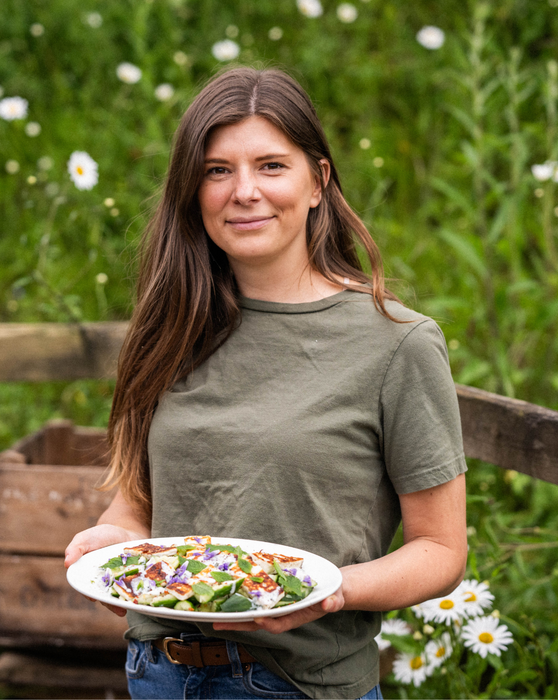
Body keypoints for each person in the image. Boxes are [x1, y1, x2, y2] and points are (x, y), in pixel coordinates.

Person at [65, 66, 467, 700]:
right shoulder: (171, 326)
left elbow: (442, 551)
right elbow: (140, 503)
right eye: (217, 170)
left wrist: (331, 591)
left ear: (318, 182)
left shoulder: (397, 343)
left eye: (272, 166)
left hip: (295, 684)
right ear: (192, 191)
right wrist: (117, 544)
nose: (243, 191)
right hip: (158, 672)